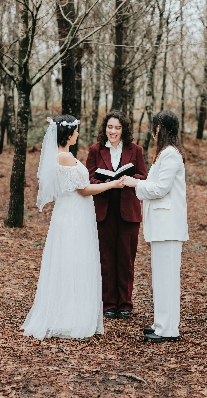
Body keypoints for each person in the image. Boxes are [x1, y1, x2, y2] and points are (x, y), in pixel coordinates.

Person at [22, 115, 125, 340]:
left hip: (69, 212)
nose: (78, 134)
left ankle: (67, 313)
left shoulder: (60, 155)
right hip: (73, 216)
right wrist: (113, 184)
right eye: (76, 131)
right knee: (73, 261)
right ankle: (70, 318)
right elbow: (84, 189)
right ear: (68, 134)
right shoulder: (65, 157)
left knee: (68, 261)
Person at [123, 110, 188, 342]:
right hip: (162, 226)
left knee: (167, 278)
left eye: (155, 127)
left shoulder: (170, 154)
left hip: (168, 226)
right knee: (161, 278)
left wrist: (135, 183)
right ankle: (161, 324)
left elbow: (160, 188)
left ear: (161, 129)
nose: (153, 132)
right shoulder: (165, 154)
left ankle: (168, 330)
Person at [86, 110, 147, 319]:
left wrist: (129, 180)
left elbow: (143, 175)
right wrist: (105, 182)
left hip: (128, 210)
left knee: (126, 258)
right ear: (105, 128)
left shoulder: (135, 150)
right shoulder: (95, 150)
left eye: (118, 128)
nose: (113, 131)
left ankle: (125, 304)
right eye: (110, 127)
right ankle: (109, 304)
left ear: (124, 130)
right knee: (106, 258)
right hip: (104, 209)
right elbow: (88, 178)